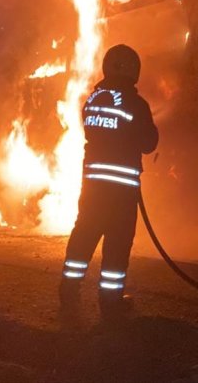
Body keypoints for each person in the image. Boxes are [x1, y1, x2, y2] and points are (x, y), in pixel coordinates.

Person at [60, 44, 158, 317]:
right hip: (121, 191)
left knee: (83, 236)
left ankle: (68, 290)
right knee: (117, 245)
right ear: (133, 71)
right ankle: (110, 301)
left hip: (92, 187)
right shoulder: (136, 104)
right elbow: (149, 142)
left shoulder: (91, 102)